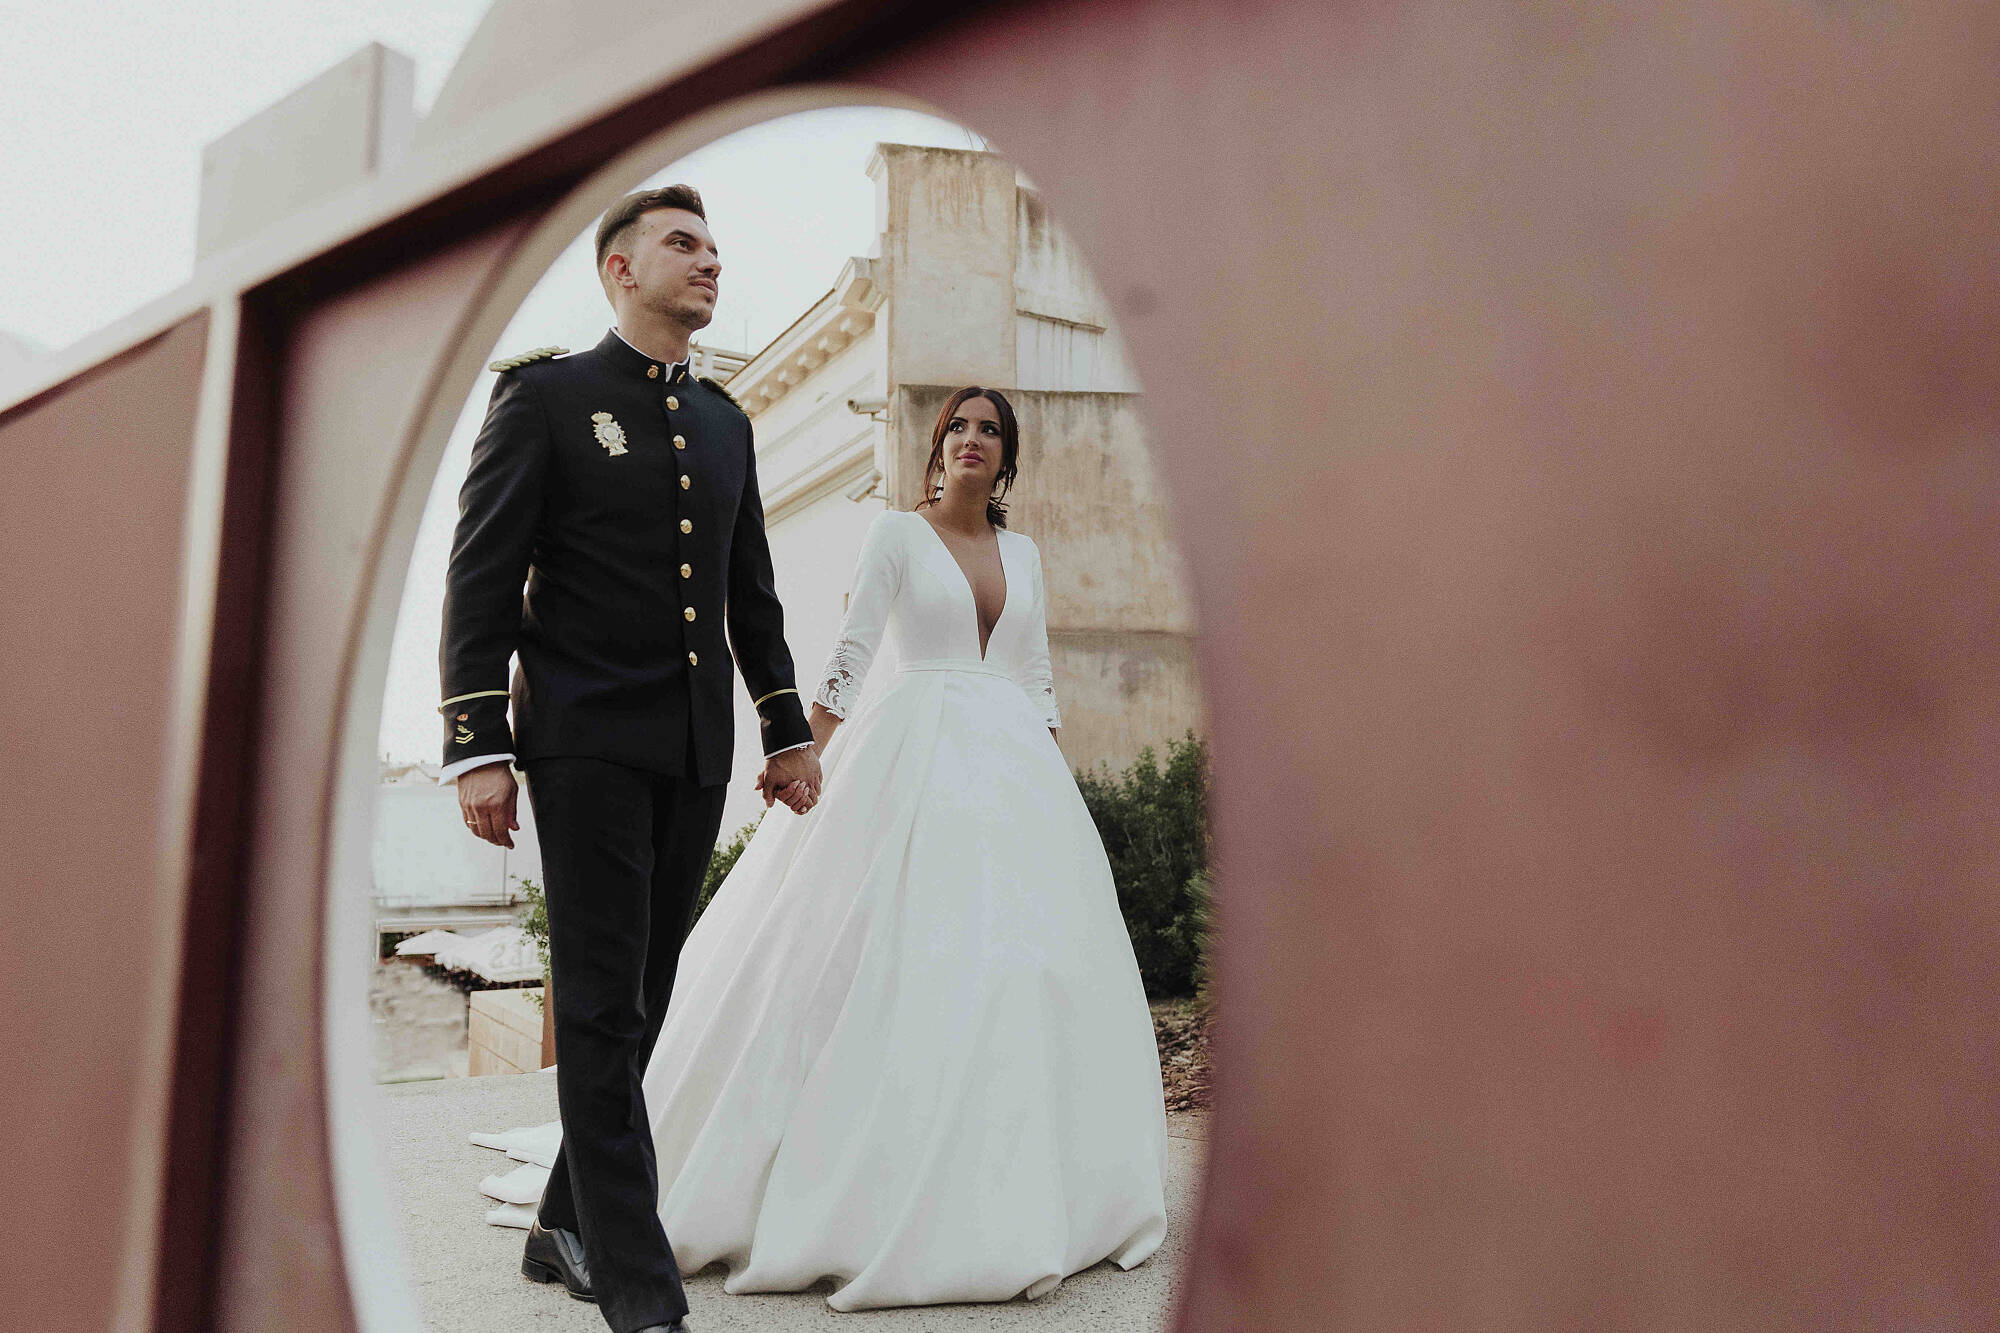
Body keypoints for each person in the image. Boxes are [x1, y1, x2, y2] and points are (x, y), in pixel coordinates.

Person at [634, 386, 1169, 1310]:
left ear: (1008, 457)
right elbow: (849, 653)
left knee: (1021, 967)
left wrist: (1054, 796)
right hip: (911, 748)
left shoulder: (1028, 554)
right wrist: (802, 753)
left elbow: (1037, 677)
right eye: (958, 426)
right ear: (937, 447)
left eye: (989, 430)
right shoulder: (896, 534)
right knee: (889, 951)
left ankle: (1026, 1177)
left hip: (1011, 769)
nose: (972, 439)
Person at [440, 184, 822, 1333]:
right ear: (618, 270)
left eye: (715, 247)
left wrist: (785, 728)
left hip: (695, 745)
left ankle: (566, 1221)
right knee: (604, 1005)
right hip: (583, 741)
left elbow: (748, 589)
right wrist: (476, 746)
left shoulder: (725, 421)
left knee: (643, 1003)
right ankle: (643, 1294)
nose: (710, 262)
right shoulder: (544, 397)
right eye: (683, 244)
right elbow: (479, 576)